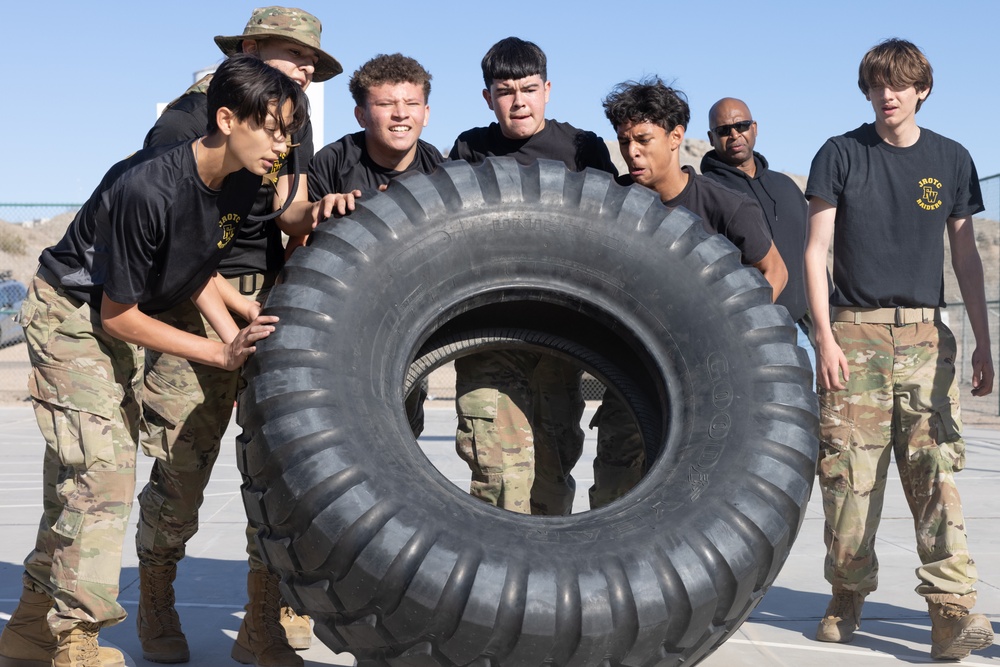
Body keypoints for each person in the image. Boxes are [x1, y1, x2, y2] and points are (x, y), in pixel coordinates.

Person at [0, 53, 338, 667]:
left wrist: (239, 320)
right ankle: (76, 644)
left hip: (122, 313)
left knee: (74, 487)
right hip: (72, 314)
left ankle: (28, 631)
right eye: (274, 129)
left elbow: (195, 266)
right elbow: (117, 316)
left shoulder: (243, 180)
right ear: (229, 119)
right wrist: (219, 349)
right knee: (104, 472)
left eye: (291, 131)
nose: (284, 145)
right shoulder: (148, 187)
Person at [135, 7, 344, 666]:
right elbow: (167, 237)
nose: (305, 68)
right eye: (292, 54)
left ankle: (261, 620)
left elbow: (287, 210)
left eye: (311, 62)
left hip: (271, 304)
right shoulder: (186, 120)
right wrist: (227, 321)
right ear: (249, 49)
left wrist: (326, 210)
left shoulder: (293, 119)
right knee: (182, 468)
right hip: (193, 302)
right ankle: (157, 600)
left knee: (277, 472)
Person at [805, 38, 994, 661]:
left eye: (900, 84)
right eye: (877, 84)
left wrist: (980, 345)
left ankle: (950, 611)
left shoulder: (952, 159)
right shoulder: (840, 154)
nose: (888, 94)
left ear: (922, 90)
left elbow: (965, 257)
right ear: (867, 90)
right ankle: (847, 593)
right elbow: (816, 251)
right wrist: (825, 337)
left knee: (934, 470)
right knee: (848, 478)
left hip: (923, 337)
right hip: (853, 335)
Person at [592, 77, 787, 508]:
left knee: (697, 506)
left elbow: (774, 272)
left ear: (676, 137)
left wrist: (735, 338)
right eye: (624, 142)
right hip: (630, 380)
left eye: (643, 139)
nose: (632, 152)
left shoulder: (725, 206)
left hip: (706, 389)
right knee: (612, 502)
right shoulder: (612, 204)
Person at [449, 36, 617, 516]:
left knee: (550, 475)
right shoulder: (471, 148)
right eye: (505, 91)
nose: (518, 101)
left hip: (558, 340)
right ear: (488, 97)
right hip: (489, 333)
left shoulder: (581, 148)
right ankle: (495, 590)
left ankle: (545, 588)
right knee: (499, 480)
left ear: (547, 89)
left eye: (528, 88)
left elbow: (608, 234)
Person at [700, 97, 814, 368]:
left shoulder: (786, 186)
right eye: (724, 130)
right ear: (711, 137)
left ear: (755, 127)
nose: (735, 135)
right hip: (748, 334)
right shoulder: (706, 193)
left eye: (741, 125)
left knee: (816, 410)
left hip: (806, 329)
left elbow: (811, 251)